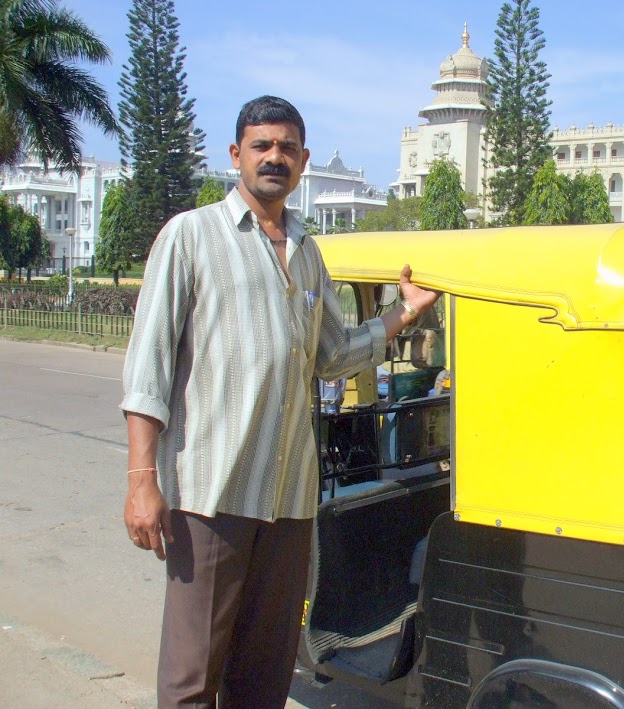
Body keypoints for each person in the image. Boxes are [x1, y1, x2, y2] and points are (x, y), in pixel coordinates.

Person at [120, 96, 439, 708]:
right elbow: (147, 370)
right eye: (261, 146)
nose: (275, 157)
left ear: (303, 160)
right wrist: (141, 481)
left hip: (290, 501)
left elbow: (334, 354)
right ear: (236, 154)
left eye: (287, 148)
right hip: (213, 494)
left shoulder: (307, 251)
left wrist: (403, 313)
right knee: (193, 675)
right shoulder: (191, 237)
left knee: (264, 673)